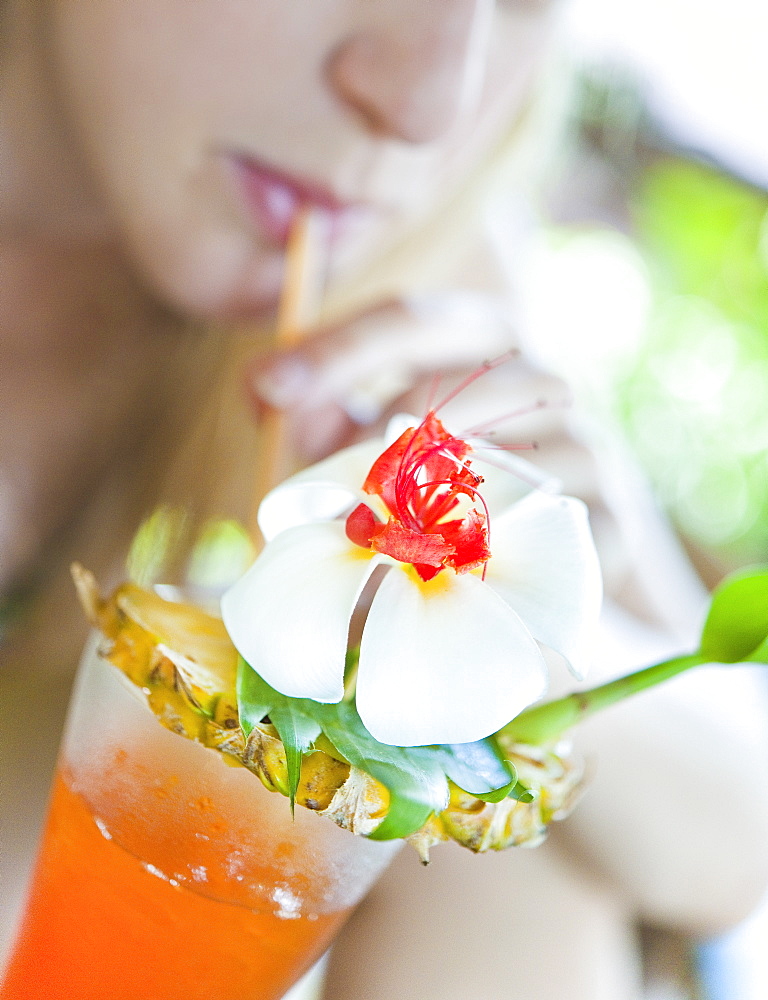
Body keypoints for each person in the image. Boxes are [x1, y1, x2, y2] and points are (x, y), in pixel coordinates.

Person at [2, 1, 768, 997]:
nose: (425, 103)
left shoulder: (398, 268)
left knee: (509, 855)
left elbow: (731, 848)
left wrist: (503, 632)